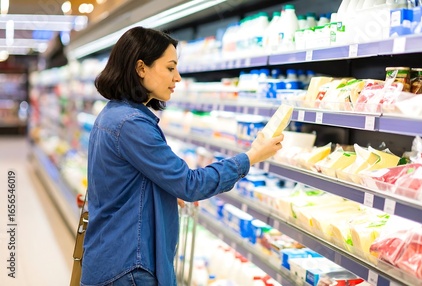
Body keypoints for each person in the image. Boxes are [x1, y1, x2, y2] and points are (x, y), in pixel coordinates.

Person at [80, 26, 284, 286]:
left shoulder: (113, 114)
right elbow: (190, 184)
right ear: (141, 68)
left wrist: (160, 195)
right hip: (129, 268)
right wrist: (252, 156)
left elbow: (124, 182)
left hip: (110, 259)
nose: (177, 77)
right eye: (170, 68)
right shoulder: (131, 124)